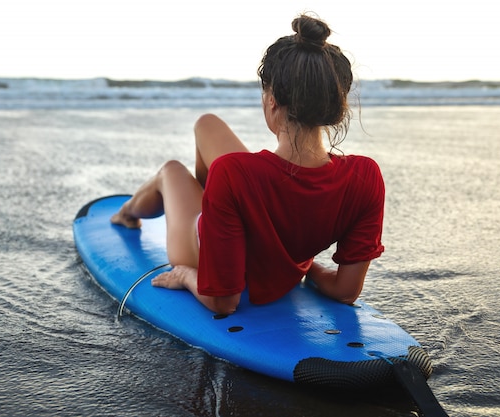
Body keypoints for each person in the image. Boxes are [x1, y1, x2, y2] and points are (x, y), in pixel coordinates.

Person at [111, 14, 385, 315]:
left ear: (272, 102)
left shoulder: (233, 173)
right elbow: (345, 291)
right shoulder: (365, 177)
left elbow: (223, 302)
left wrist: (185, 276)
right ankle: (218, 214)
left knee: (171, 172)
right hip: (279, 263)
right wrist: (306, 270)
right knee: (207, 124)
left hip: (204, 258)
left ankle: (126, 214)